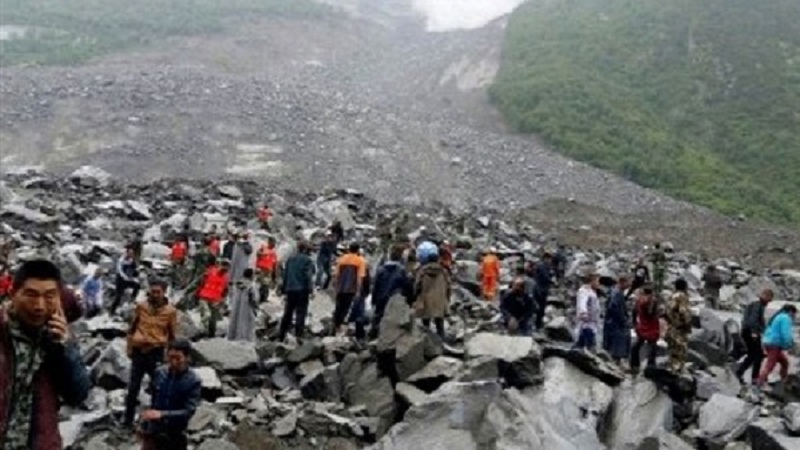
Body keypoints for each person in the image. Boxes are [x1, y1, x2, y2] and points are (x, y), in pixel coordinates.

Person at [0, 259, 91, 449]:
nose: (39, 306)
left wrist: (65, 348)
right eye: (31, 295)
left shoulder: (58, 338)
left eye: (49, 296)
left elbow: (78, 395)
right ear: (13, 294)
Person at [124, 279, 178, 428]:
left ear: (164, 292)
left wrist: (170, 356)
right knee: (133, 387)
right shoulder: (142, 306)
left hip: (156, 352)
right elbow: (132, 328)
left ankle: (153, 423)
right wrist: (129, 347)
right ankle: (127, 421)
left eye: (157, 292)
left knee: (157, 387)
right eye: (152, 291)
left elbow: (172, 335)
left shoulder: (170, 311)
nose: (154, 295)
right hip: (139, 351)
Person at [138, 339, 201, 450]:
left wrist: (162, 414)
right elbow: (152, 399)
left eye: (178, 358)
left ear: (187, 358)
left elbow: (189, 411)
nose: (173, 362)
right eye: (170, 357)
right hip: (154, 431)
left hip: (176, 433)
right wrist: (145, 424)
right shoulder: (159, 373)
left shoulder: (193, 381)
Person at [369, 245, 413, 339]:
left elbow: (376, 286)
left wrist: (373, 300)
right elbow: (407, 287)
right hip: (395, 299)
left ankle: (373, 337)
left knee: (378, 318)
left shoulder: (381, 270)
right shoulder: (402, 271)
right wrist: (409, 301)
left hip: (381, 298)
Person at [278, 241, 315, 341]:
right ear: (306, 250)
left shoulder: (290, 259)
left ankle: (282, 334)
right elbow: (308, 276)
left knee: (288, 312)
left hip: (290, 289)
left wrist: (283, 289)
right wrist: (311, 290)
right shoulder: (307, 260)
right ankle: (299, 335)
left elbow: (286, 274)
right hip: (302, 289)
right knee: (301, 312)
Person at [755, 304, 797, 391]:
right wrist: (790, 344)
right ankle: (760, 384)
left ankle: (783, 381)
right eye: (794, 314)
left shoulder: (778, 316)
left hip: (769, 342)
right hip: (774, 344)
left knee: (784, 362)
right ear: (790, 312)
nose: (795, 316)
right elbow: (785, 333)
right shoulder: (786, 318)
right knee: (770, 365)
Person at [736, 289, 773, 385]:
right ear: (765, 296)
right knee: (756, 355)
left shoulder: (756, 304)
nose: (769, 302)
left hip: (747, 331)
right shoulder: (758, 305)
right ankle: (749, 376)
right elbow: (753, 320)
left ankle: (744, 374)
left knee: (754, 355)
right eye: (769, 298)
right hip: (751, 332)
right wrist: (755, 332)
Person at [413, 243, 451, 338]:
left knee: (425, 324)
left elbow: (417, 285)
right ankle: (442, 340)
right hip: (440, 300)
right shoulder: (443, 271)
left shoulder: (422, 271)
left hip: (426, 300)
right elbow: (448, 286)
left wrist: (416, 297)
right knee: (439, 324)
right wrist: (447, 298)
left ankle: (427, 341)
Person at [332, 243, 367, 336]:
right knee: (347, 308)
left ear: (349, 249)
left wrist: (335, 286)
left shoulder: (341, 259)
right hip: (351, 289)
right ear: (358, 250)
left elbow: (336, 275)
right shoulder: (360, 260)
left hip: (340, 288)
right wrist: (358, 290)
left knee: (339, 307)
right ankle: (342, 327)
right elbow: (360, 277)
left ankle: (336, 326)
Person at [630, 286, 661, 374]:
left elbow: (634, 312)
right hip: (652, 326)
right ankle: (651, 365)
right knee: (652, 346)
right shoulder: (652, 301)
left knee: (638, 344)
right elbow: (652, 313)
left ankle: (634, 364)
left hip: (642, 325)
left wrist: (634, 323)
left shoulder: (639, 300)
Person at [197, 261, 230, 337]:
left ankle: (211, 334)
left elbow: (225, 290)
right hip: (204, 297)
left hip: (215, 300)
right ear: (220, 265)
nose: (225, 269)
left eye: (226, 269)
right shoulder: (210, 271)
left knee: (213, 318)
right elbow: (200, 281)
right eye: (223, 267)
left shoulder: (226, 277)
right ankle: (202, 331)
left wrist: (222, 300)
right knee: (207, 315)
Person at [665, 278, 692, 372]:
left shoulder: (671, 296)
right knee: (680, 350)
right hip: (680, 328)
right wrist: (687, 323)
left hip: (671, 326)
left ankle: (671, 368)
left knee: (672, 349)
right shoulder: (682, 297)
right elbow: (683, 312)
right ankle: (677, 370)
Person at [603, 276, 631, 364]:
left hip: (614, 322)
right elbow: (614, 308)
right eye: (628, 283)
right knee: (616, 344)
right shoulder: (616, 293)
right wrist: (623, 319)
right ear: (623, 282)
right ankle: (614, 361)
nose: (629, 285)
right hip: (616, 324)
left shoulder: (616, 292)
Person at [227, 269, 258, 342]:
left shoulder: (237, 284)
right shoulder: (251, 285)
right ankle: (245, 337)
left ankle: (233, 335)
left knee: (235, 319)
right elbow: (254, 297)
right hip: (247, 306)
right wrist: (255, 306)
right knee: (247, 321)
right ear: (251, 276)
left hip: (236, 306)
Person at [574, 273, 601, 351]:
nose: (598, 284)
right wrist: (584, 313)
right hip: (586, 322)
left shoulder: (591, 291)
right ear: (592, 281)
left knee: (589, 340)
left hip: (592, 321)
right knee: (585, 341)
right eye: (597, 281)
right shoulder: (584, 291)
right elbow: (582, 302)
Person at [112, 247, 140, 314]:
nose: (131, 255)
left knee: (137, 285)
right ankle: (112, 310)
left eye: (132, 253)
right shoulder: (121, 260)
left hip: (127, 279)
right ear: (127, 253)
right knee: (118, 296)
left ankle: (132, 299)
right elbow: (120, 271)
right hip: (120, 280)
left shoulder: (131, 260)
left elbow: (135, 270)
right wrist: (125, 277)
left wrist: (135, 274)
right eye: (130, 253)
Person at [533, 253, 554, 330]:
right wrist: (552, 281)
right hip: (540, 290)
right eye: (549, 259)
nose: (550, 261)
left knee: (542, 307)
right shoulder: (541, 266)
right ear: (545, 258)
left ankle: (539, 322)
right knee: (540, 307)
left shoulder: (546, 266)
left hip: (543, 289)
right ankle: (537, 324)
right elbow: (545, 276)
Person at [256, 238, 279, 302]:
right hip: (262, 269)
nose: (274, 244)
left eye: (274, 243)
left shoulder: (273, 252)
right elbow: (258, 254)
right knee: (261, 284)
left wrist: (275, 274)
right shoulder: (263, 248)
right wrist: (262, 254)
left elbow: (274, 263)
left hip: (268, 271)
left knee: (266, 284)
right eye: (273, 242)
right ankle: (259, 297)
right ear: (269, 242)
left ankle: (264, 297)